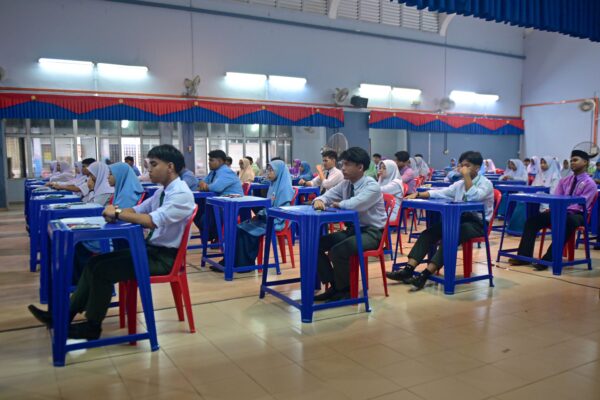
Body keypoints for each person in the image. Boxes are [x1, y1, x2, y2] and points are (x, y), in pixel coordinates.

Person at [28, 145, 195, 340]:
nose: (149, 169)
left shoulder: (181, 194)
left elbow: (150, 220)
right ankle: (62, 316)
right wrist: (118, 212)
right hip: (150, 250)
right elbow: (137, 210)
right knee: (94, 263)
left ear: (170, 167)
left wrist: (116, 213)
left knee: (103, 271)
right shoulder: (162, 192)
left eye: (154, 164)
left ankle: (92, 326)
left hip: (164, 259)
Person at [387, 151, 494, 290]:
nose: (463, 168)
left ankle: (425, 275)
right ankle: (408, 270)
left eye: (467, 166)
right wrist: (419, 194)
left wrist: (467, 176)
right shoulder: (459, 184)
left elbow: (473, 197)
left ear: (477, 168)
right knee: (428, 233)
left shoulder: (486, 184)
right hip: (459, 220)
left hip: (478, 224)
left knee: (450, 237)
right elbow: (442, 193)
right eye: (462, 165)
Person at [312, 147, 387, 302]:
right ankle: (334, 285)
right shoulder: (346, 183)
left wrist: (338, 204)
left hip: (372, 233)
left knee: (338, 250)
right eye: (342, 164)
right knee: (315, 245)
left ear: (360, 167)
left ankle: (345, 291)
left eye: (347, 164)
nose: (343, 168)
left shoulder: (371, 186)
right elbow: (327, 196)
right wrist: (319, 200)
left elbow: (355, 205)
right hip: (353, 230)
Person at [509, 150, 597, 271]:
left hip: (578, 215)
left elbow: (582, 204)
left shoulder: (590, 183)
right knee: (532, 221)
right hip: (560, 211)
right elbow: (556, 198)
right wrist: (553, 209)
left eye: (575, 160)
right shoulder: (564, 181)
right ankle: (524, 256)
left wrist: (563, 209)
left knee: (567, 222)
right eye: (571, 160)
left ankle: (548, 258)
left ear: (585, 162)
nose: (572, 163)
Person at [72, 162, 145, 282]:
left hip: (118, 240)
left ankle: (79, 283)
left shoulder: (127, 196)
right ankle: (80, 283)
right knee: (79, 241)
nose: (107, 177)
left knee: (79, 242)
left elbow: (117, 218)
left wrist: (110, 215)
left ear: (120, 175)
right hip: (116, 235)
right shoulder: (121, 192)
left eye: (111, 174)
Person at [223, 160, 295, 270]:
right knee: (239, 227)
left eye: (271, 170)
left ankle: (245, 264)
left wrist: (263, 214)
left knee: (246, 232)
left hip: (276, 221)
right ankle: (232, 261)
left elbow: (281, 212)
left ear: (279, 171)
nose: (268, 173)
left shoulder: (285, 189)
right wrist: (262, 213)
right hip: (268, 217)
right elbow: (269, 205)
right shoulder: (273, 185)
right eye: (268, 170)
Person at [197, 150, 244, 239]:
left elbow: (216, 187)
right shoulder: (213, 172)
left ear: (219, 161)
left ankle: (212, 234)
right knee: (197, 205)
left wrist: (204, 186)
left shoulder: (226, 172)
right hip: (220, 205)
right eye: (209, 160)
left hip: (231, 207)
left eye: (211, 160)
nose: (209, 163)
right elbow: (201, 182)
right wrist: (202, 183)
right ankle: (210, 234)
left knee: (202, 212)